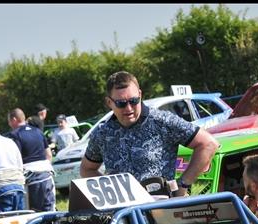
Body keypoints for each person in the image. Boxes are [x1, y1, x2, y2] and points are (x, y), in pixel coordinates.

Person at [80, 71, 219, 197]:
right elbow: (87, 169)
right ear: (109, 102)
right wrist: (109, 192)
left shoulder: (162, 121)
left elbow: (208, 144)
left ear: (140, 95)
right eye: (121, 103)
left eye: (134, 101)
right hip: (124, 216)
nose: (129, 108)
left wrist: (182, 185)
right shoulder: (102, 133)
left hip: (163, 211)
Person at [6, 108, 56, 212]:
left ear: (14, 119)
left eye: (9, 121)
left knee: (32, 214)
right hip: (47, 174)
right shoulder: (38, 131)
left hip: (30, 177)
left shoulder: (14, 135)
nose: (9, 124)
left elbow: (15, 158)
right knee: (50, 210)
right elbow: (49, 154)